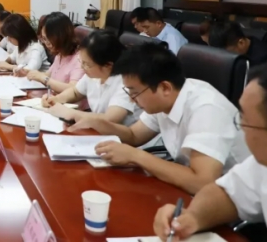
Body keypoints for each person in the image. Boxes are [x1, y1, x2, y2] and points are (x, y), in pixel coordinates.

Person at [69, 43, 250, 195]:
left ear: (165, 88)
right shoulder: (164, 100)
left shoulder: (207, 109)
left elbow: (201, 183)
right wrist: (99, 123)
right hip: (186, 187)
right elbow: (133, 135)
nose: (132, 100)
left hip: (233, 201)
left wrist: (136, 156)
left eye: (135, 92)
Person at [153, 64, 267, 240]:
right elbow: (227, 194)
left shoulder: (208, 106)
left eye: (245, 120)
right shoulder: (261, 164)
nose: (241, 129)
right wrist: (193, 217)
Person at [42, 31, 140, 126]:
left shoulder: (126, 82)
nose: (82, 67)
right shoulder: (93, 75)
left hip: (121, 135)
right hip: (97, 130)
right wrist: (56, 99)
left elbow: (110, 119)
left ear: (108, 65)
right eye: (81, 61)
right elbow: (75, 92)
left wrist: (70, 113)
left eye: (87, 64)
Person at [26, 12, 84, 94]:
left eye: (48, 38)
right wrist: (33, 74)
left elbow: (73, 89)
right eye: (44, 39)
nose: (46, 43)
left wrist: (42, 78)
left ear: (61, 36)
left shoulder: (80, 58)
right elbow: (48, 75)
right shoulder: (60, 54)